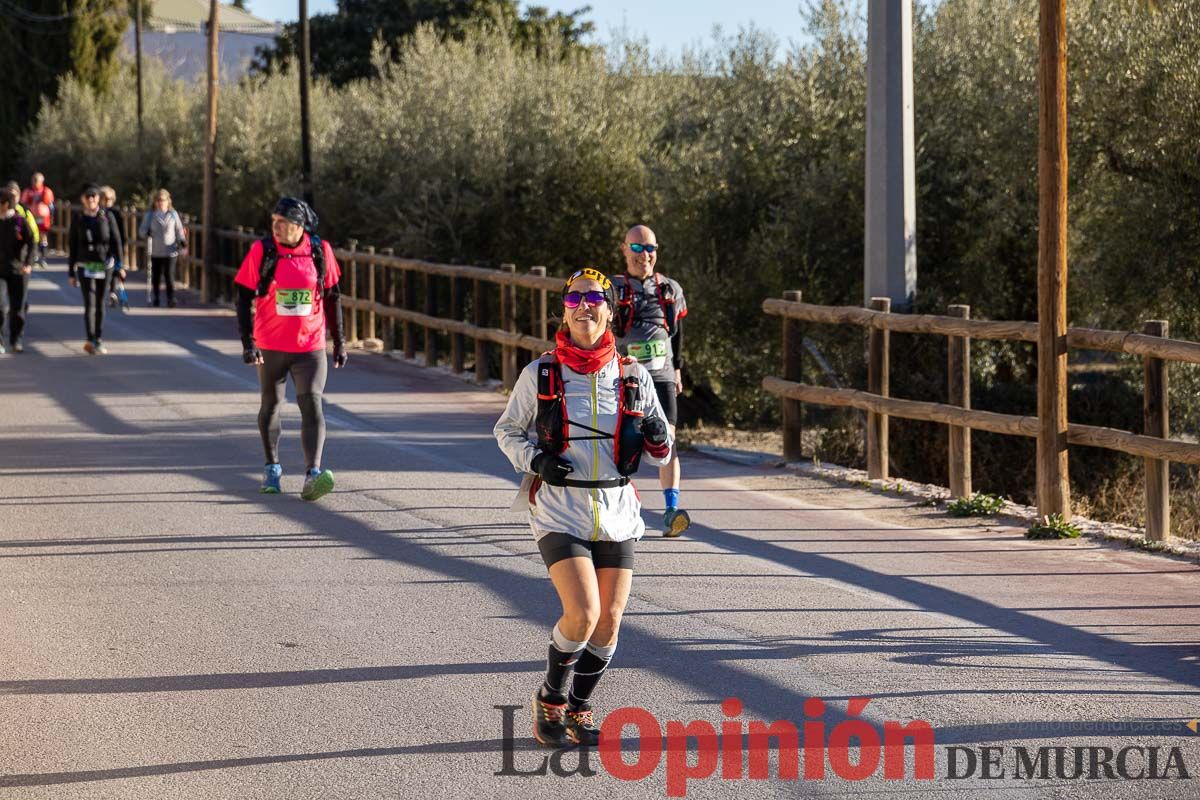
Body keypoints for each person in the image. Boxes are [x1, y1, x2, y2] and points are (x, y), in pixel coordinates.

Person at [494, 268, 674, 748]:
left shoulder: (633, 375)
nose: (584, 306)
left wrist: (661, 437)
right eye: (574, 299)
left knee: (611, 620)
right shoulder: (542, 372)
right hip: (560, 507)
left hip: (616, 506)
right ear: (564, 310)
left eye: (594, 298)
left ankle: (578, 708)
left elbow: (663, 448)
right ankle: (550, 700)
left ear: (610, 311)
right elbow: (507, 430)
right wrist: (535, 460)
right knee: (584, 612)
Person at [234, 196, 346, 501]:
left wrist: (339, 342)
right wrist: (248, 343)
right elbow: (243, 297)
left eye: (282, 223)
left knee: (312, 403)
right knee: (270, 405)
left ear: (299, 226)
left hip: (310, 347)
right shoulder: (263, 250)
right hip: (270, 346)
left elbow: (334, 297)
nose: (276, 228)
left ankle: (313, 474)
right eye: (273, 223)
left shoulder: (320, 251)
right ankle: (272, 467)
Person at [610, 224, 692, 537]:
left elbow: (678, 333)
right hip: (626, 377)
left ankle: (672, 512)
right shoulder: (613, 288)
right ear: (624, 250)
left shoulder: (670, 289)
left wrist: (679, 369)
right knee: (622, 441)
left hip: (662, 376)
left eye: (649, 248)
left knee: (666, 440)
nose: (644, 255)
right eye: (636, 248)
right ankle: (616, 505)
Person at [67, 184, 121, 355]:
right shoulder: (78, 219)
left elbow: (116, 241)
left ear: (99, 198)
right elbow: (72, 245)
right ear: (83, 199)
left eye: (94, 196)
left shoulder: (107, 216)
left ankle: (98, 338)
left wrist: (120, 266)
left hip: (104, 265)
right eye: (88, 196)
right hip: (85, 265)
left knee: (100, 302)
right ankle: (90, 339)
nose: (91, 199)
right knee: (89, 304)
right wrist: (71, 271)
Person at [0, 187, 36, 354]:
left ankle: (16, 340)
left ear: (5, 204)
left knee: (18, 308)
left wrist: (28, 263)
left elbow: (32, 243)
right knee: (0, 306)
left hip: (19, 270)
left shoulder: (20, 221)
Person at [138, 188, 186, 308]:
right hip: (155, 251)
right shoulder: (150, 215)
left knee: (169, 275)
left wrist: (182, 242)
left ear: (168, 201)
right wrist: (146, 233)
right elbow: (142, 231)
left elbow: (179, 230)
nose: (160, 202)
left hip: (170, 251)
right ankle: (156, 297)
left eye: (163, 200)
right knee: (155, 276)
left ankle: (171, 298)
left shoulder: (173, 214)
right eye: (158, 200)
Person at [99, 186, 130, 312]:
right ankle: (109, 292)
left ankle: (112, 292)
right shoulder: (98, 212)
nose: (108, 201)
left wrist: (122, 246)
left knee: (115, 270)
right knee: (108, 271)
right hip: (103, 248)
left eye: (110, 199)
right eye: (105, 198)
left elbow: (121, 233)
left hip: (115, 246)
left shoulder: (115, 213)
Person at [20, 172, 54, 268]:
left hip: (43, 217)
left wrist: (52, 217)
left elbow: (51, 206)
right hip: (32, 218)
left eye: (37, 180)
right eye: (33, 180)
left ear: (41, 181)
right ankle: (33, 257)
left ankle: (43, 258)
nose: (35, 183)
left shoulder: (47, 191)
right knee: (33, 236)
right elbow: (23, 204)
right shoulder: (27, 191)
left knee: (43, 237)